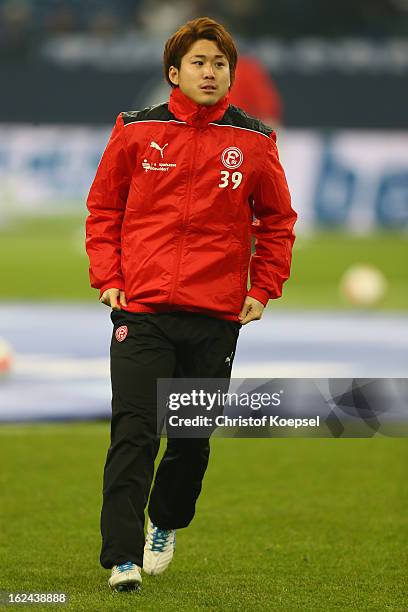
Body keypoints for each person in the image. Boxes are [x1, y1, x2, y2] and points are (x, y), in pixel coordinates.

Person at [85, 16, 297, 593]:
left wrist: (261, 288)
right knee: (133, 432)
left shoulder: (255, 141)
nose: (211, 72)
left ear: (232, 75)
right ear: (173, 73)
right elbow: (104, 209)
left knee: (189, 442)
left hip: (214, 317)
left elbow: (277, 221)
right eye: (199, 63)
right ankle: (121, 559)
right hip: (142, 312)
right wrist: (108, 276)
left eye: (220, 64)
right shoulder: (134, 130)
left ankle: (166, 522)